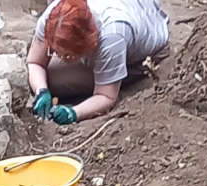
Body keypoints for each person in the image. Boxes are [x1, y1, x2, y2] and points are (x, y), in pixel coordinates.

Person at [25, 0, 169, 125]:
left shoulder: (112, 37)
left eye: (66, 56)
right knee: (45, 75)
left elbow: (106, 96)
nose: (56, 56)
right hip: (136, 11)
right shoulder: (56, 14)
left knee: (57, 81)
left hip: (149, 49)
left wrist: (74, 113)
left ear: (86, 45)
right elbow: (34, 62)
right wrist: (41, 90)